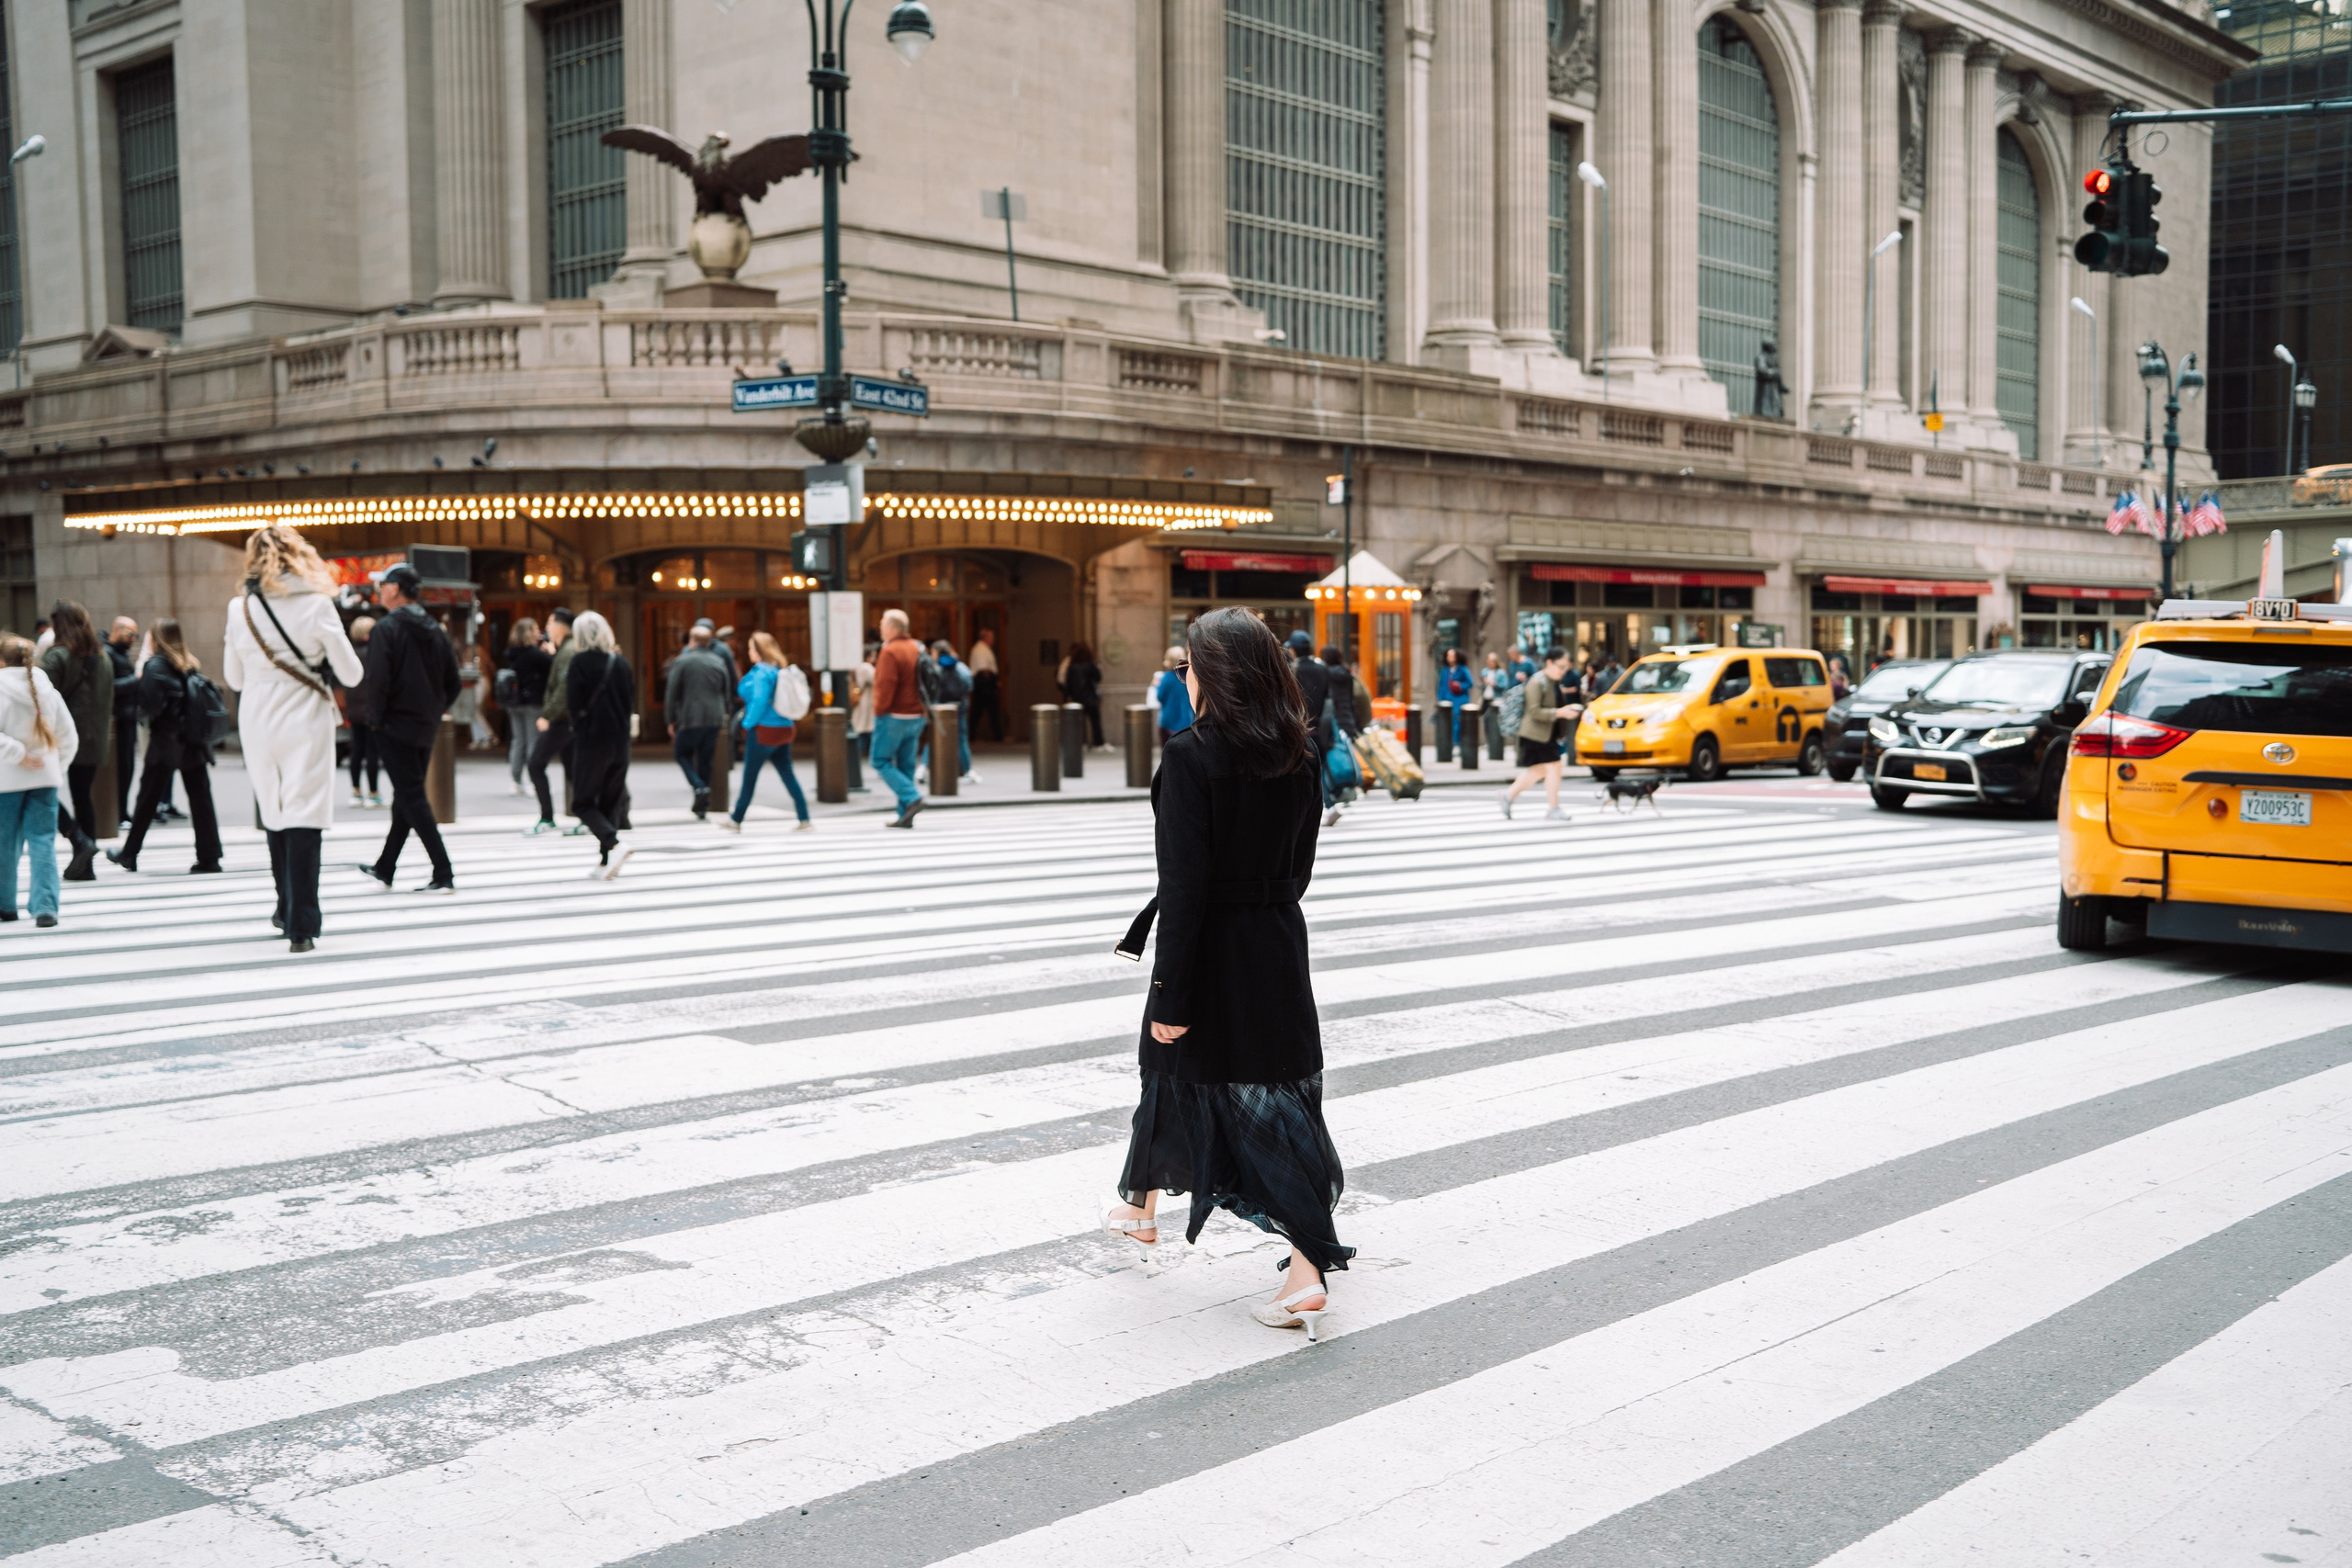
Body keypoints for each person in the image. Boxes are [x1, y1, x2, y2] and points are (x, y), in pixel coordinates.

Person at [1103, 606, 1351, 1339]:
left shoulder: (1190, 755)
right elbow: (1301, 868)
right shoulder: (1299, 752)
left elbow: (1183, 889)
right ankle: (1140, 1208)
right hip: (1275, 940)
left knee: (1183, 1060)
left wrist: (1171, 991)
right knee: (1272, 1096)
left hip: (1211, 947)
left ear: (1215, 674)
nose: (1182, 673)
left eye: (1188, 663)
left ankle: (1308, 1271)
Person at [224, 525, 366, 950]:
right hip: (304, 712)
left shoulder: (240, 608)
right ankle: (302, 924)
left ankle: (284, 908)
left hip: (257, 712)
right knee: (305, 812)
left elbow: (233, 676)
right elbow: (352, 674)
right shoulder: (318, 605)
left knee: (275, 808)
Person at [353, 563, 460, 893]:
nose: (380, 590)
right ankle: (386, 866)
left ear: (395, 589)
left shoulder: (387, 629)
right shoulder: (434, 629)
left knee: (412, 796)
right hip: (424, 725)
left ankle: (443, 871)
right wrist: (433, 708)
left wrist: (375, 719)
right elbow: (453, 681)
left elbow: (378, 680)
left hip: (393, 725)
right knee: (407, 794)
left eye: (383, 585)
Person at [106, 617, 223, 874]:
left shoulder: (155, 665)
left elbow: (149, 707)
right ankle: (210, 856)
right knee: (201, 798)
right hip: (192, 742)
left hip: (165, 742)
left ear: (156, 638)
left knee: (147, 797)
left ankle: (129, 853)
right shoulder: (189, 664)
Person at [0, 633, 76, 928]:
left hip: (6, 780)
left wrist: (17, 754)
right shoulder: (48, 690)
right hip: (45, 779)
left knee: (5, 844)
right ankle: (46, 906)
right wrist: (56, 768)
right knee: (43, 842)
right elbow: (68, 737)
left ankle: (5, 905)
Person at [38, 602, 111, 884]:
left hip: (61, 737)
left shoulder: (57, 657)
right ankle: (85, 860)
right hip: (94, 739)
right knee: (83, 797)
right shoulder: (103, 657)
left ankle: (78, 840)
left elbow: (39, 695)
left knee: (41, 791)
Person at [564, 611, 636, 876]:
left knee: (581, 803)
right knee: (610, 800)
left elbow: (573, 705)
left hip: (593, 741)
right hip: (620, 742)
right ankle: (606, 862)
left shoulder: (579, 663)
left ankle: (614, 844)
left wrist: (580, 727)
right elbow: (629, 704)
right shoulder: (621, 663)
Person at [722, 630, 812, 833]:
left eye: (751, 648)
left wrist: (747, 724)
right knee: (788, 774)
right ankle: (804, 817)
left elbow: (760, 701)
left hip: (763, 731)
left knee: (750, 777)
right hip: (784, 729)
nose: (749, 652)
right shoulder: (778, 669)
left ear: (759, 650)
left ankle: (736, 820)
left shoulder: (762, 672)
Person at [1499, 645, 1581, 821]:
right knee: (1552, 768)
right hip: (1534, 734)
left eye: (1566, 667)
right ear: (1549, 662)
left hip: (1545, 734)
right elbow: (1534, 711)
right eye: (1560, 666)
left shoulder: (1553, 682)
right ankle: (1553, 808)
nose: (1563, 671)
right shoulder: (1537, 682)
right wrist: (1560, 712)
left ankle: (1508, 795)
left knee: (1540, 770)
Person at [664, 623, 732, 818]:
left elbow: (672, 693)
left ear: (692, 642)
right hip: (714, 717)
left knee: (682, 754)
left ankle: (699, 787)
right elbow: (725, 691)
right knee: (705, 759)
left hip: (691, 717)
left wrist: (670, 719)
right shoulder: (717, 661)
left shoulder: (682, 661)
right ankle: (702, 803)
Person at [869, 608, 929, 828]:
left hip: (894, 716)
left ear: (892, 628)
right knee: (906, 765)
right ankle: (905, 815)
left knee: (880, 760)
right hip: (917, 715)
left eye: (883, 623)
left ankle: (912, 797)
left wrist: (878, 711)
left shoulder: (890, 651)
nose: (880, 626)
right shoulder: (917, 647)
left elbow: (885, 686)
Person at [526, 607, 576, 834]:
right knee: (573, 769)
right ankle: (586, 815)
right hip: (569, 719)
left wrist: (548, 714)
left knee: (536, 763)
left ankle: (547, 817)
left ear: (560, 626)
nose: (546, 629)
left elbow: (564, 688)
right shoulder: (565, 649)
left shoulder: (569, 650)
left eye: (549, 623)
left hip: (562, 720)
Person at [499, 617, 551, 797]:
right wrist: (549, 651)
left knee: (518, 740)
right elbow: (551, 668)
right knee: (532, 741)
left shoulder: (510, 653)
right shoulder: (536, 655)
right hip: (533, 702)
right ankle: (532, 780)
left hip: (513, 702)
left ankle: (516, 780)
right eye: (536, 629)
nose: (539, 632)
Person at [344, 616, 383, 807]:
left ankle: (356, 791)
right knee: (372, 752)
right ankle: (373, 793)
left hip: (353, 709)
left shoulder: (350, 653)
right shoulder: (375, 653)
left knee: (357, 751)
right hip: (371, 708)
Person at [106, 616, 141, 819]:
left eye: (135, 635)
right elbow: (109, 687)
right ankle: (119, 813)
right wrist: (135, 680)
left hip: (127, 718)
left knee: (127, 767)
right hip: (118, 720)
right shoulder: (109, 654)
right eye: (129, 634)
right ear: (116, 630)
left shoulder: (120, 653)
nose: (133, 639)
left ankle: (122, 812)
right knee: (121, 768)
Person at [931, 639, 976, 784]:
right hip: (959, 707)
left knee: (934, 737)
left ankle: (925, 768)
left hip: (941, 708)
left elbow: (932, 688)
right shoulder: (959, 665)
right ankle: (967, 769)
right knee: (961, 738)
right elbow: (969, 685)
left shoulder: (936, 667)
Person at [1060, 641, 1108, 751]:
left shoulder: (1072, 665)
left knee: (1079, 723)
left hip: (1077, 699)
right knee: (1095, 721)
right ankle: (1099, 743)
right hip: (1090, 697)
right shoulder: (1090, 664)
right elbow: (1098, 678)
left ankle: (1082, 743)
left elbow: (1069, 683)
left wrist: (1068, 696)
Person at [1150, 645, 1194, 744]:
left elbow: (1160, 697)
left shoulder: (1166, 678)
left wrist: (1156, 685)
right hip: (1185, 720)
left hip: (1168, 721)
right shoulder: (1187, 677)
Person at [968, 626, 1004, 741]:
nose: (994, 639)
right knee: (981, 712)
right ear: (985, 638)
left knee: (981, 712)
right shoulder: (980, 650)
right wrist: (993, 681)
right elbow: (984, 670)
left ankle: (997, 735)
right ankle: (996, 736)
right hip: (984, 684)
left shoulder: (984, 648)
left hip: (985, 683)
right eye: (992, 636)